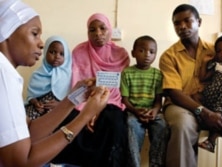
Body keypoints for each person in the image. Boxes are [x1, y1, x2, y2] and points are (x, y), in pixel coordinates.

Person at [0, 0, 109, 167]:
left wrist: (73, 98)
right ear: (7, 32)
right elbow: (20, 162)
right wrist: (86, 115)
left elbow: (29, 132)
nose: (41, 43)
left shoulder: (8, 73)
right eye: (34, 33)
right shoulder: (3, 74)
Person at [159, 4, 222, 167]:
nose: (182, 26)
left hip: (216, 104)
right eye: (177, 23)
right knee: (182, 127)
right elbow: (173, 92)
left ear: (199, 22)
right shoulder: (169, 56)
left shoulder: (218, 49)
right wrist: (203, 112)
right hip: (181, 105)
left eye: (187, 21)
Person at [54, 13, 130, 167]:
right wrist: (88, 110)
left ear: (109, 29)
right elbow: (77, 87)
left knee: (114, 122)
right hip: (83, 100)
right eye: (92, 30)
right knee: (68, 120)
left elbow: (119, 88)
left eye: (102, 28)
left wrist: (97, 109)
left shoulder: (120, 54)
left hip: (110, 100)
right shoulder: (79, 52)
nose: (98, 34)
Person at [120, 35, 167, 167]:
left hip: (153, 111)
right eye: (142, 51)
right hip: (133, 111)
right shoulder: (127, 73)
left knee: (162, 125)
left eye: (152, 52)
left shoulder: (157, 74)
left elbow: (159, 100)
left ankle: (156, 164)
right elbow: (125, 100)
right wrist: (136, 111)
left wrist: (154, 111)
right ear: (133, 53)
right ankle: (134, 163)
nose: (147, 55)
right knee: (130, 124)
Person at [25, 35, 72, 120]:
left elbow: (71, 98)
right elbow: (30, 96)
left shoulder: (68, 75)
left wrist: (60, 104)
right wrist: (35, 103)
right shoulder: (37, 74)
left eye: (62, 54)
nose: (57, 56)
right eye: (53, 52)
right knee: (26, 119)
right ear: (45, 51)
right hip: (37, 109)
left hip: (59, 110)